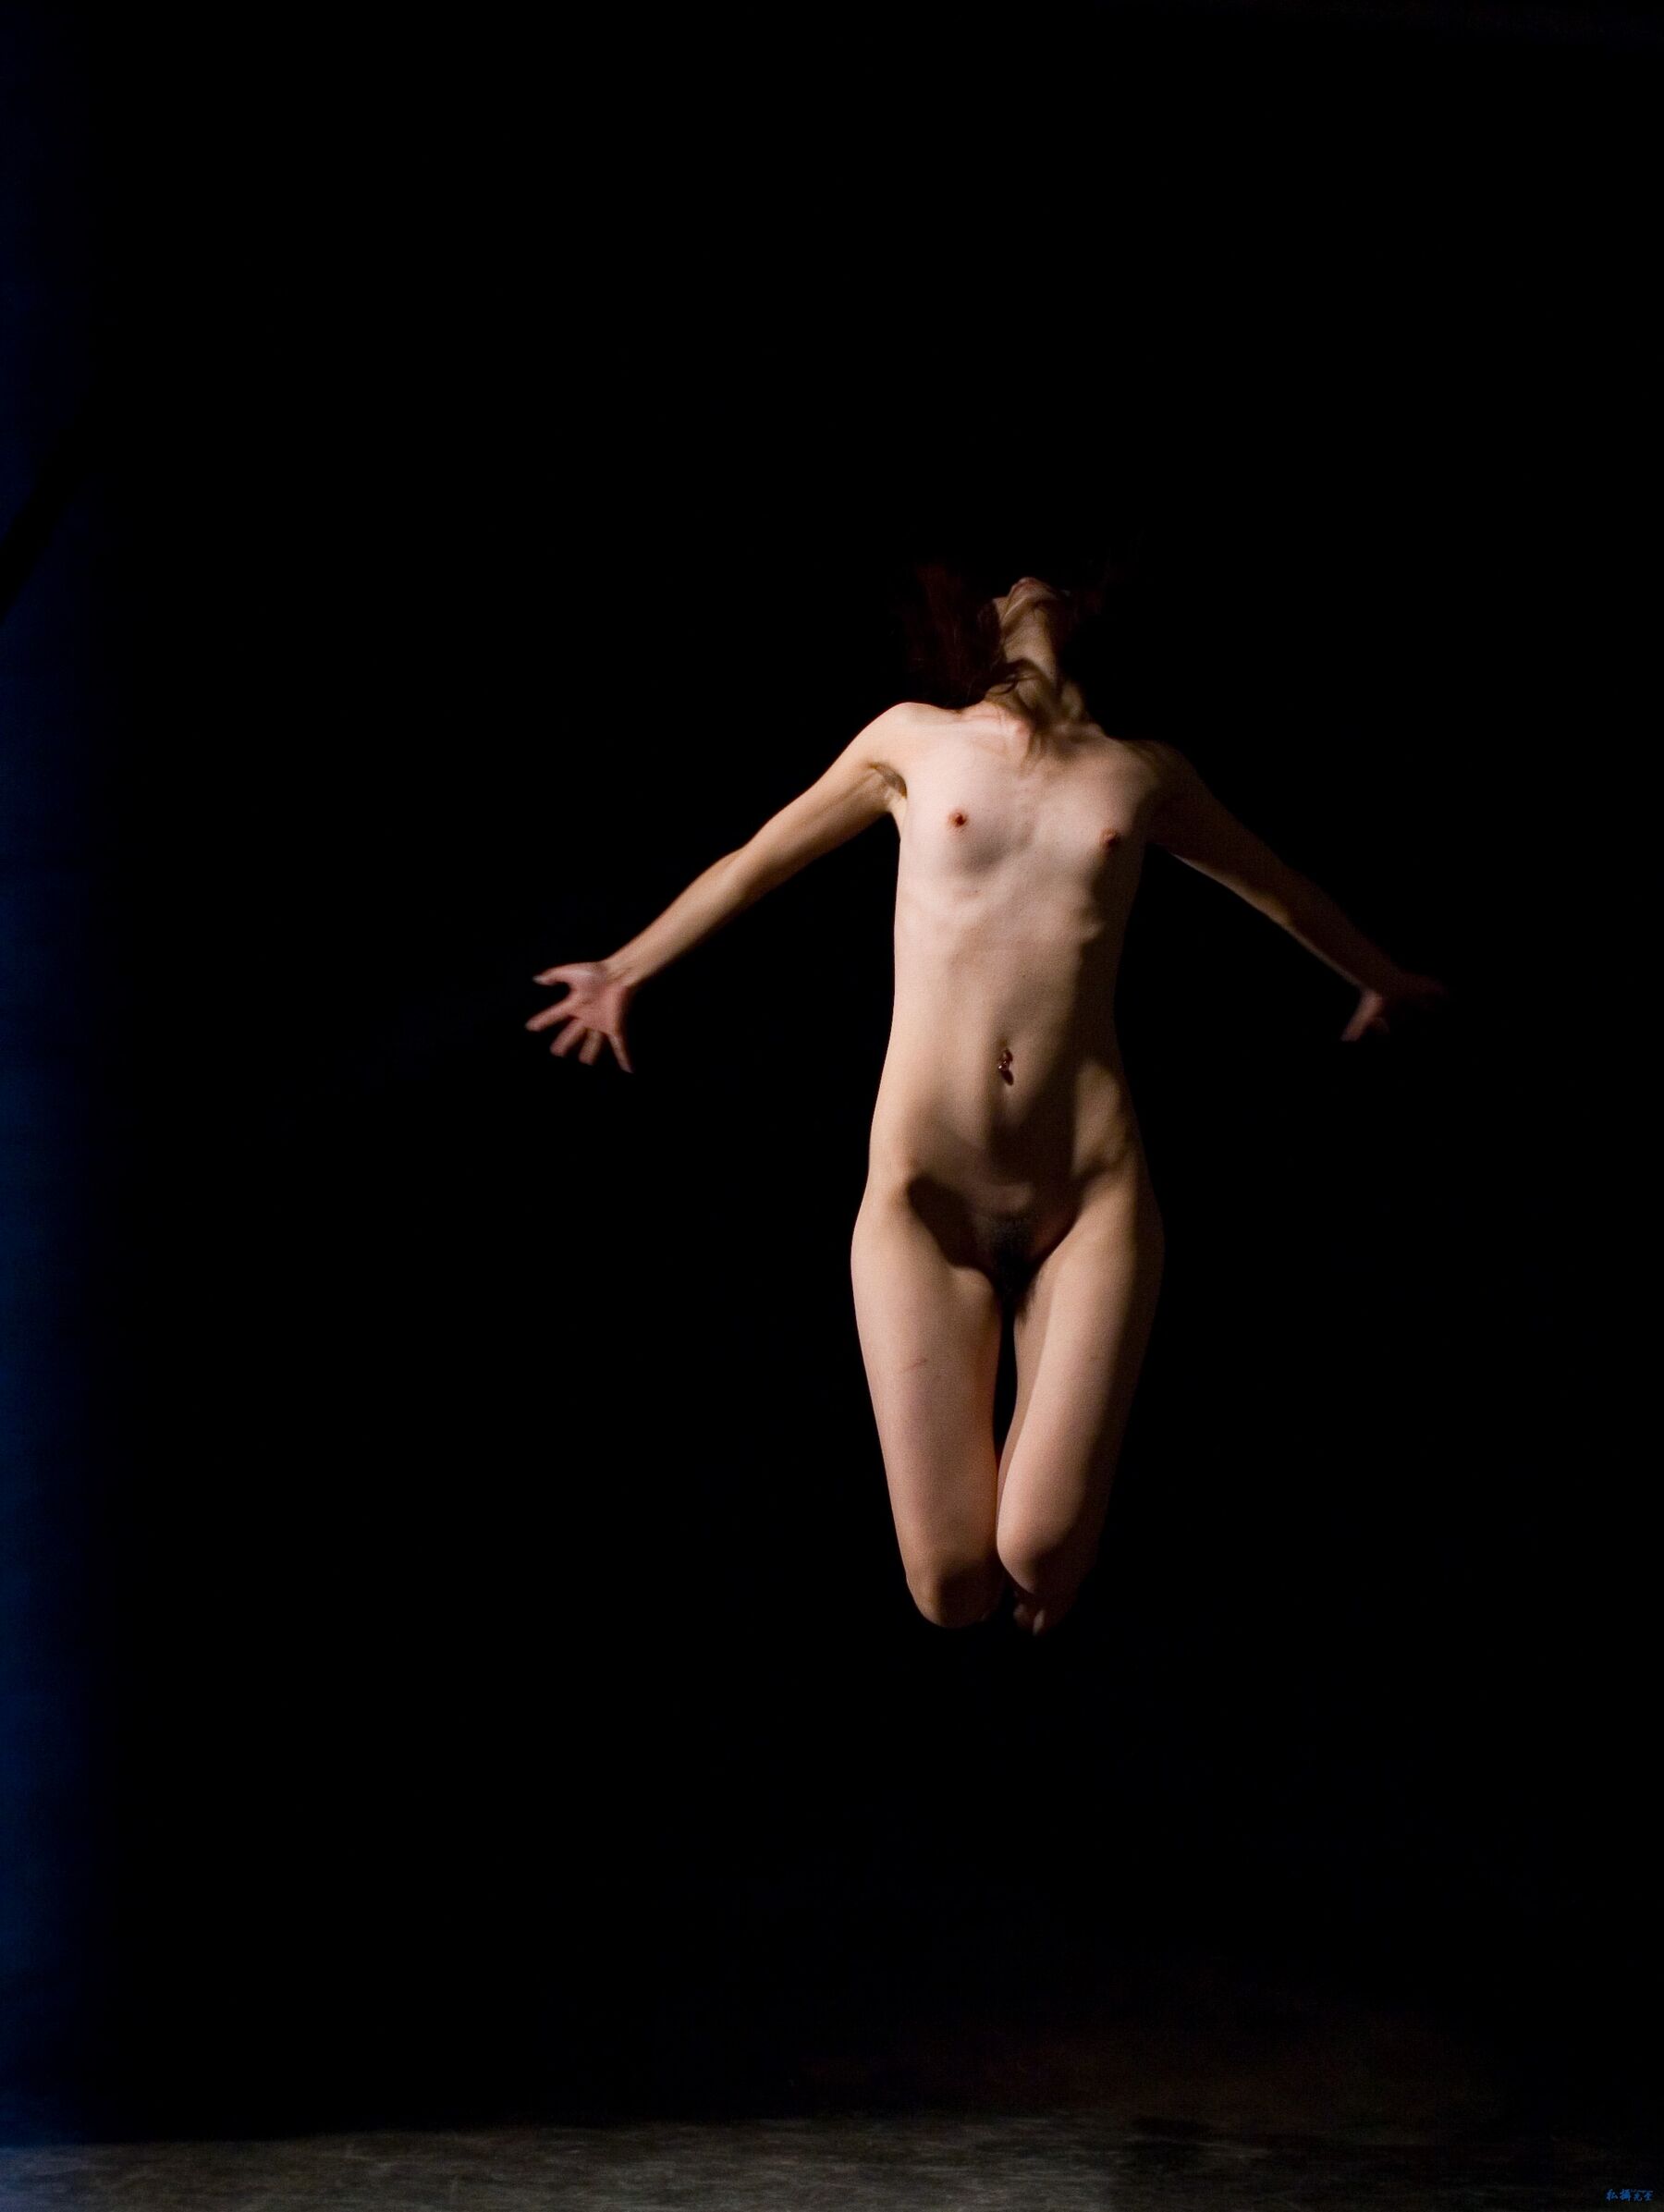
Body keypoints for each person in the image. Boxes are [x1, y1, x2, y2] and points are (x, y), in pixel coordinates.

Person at [525, 573, 1448, 1637]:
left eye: (1045, 571)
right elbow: (753, 862)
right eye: (1008, 575)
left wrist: (1376, 973)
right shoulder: (914, 740)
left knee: (1039, 1550)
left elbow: (1276, 882)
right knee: (951, 1589)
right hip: (927, 1196)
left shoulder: (1141, 770)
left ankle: (1059, 1545)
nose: (1027, 581)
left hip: (1087, 1191)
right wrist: (624, 968)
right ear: (976, 616)